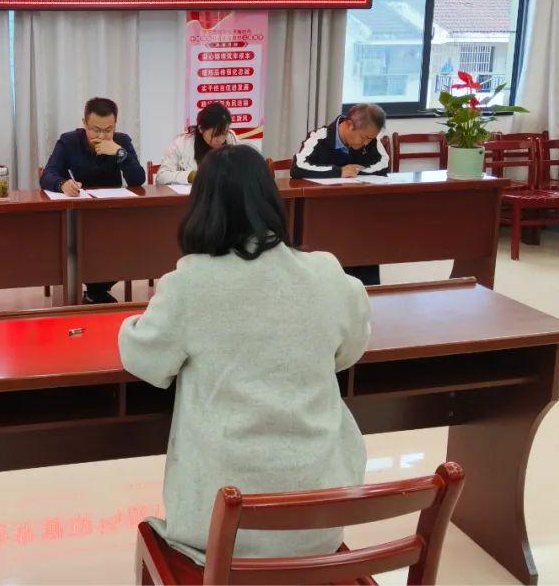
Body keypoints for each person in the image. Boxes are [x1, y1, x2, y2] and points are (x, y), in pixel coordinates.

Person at [119, 144, 370, 565]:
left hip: (221, 533)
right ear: (271, 202)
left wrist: (130, 323)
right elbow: (350, 350)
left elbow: (145, 360)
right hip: (321, 521)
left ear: (201, 209)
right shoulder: (327, 272)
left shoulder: (191, 282)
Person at [40, 97, 146, 304]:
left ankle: (95, 292)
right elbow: (47, 175)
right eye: (95, 130)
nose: (102, 136)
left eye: (108, 130)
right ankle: (95, 293)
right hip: (78, 214)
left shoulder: (122, 142)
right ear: (85, 123)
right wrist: (63, 184)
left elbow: (137, 179)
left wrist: (120, 153)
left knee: (129, 243)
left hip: (111, 213)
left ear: (115, 125)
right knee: (84, 245)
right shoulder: (69, 141)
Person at [290, 102, 389, 285]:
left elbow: (383, 163)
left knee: (367, 245)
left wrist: (357, 171)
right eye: (364, 138)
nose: (367, 143)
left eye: (371, 139)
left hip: (359, 216)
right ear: (349, 125)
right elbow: (298, 167)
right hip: (324, 216)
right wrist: (339, 171)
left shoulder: (371, 139)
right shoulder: (320, 136)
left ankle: (367, 290)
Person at [155, 102, 240, 185]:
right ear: (201, 129)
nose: (221, 140)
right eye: (215, 134)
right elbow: (161, 177)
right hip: (192, 194)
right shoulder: (181, 143)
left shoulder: (231, 139)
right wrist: (190, 176)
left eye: (224, 133)